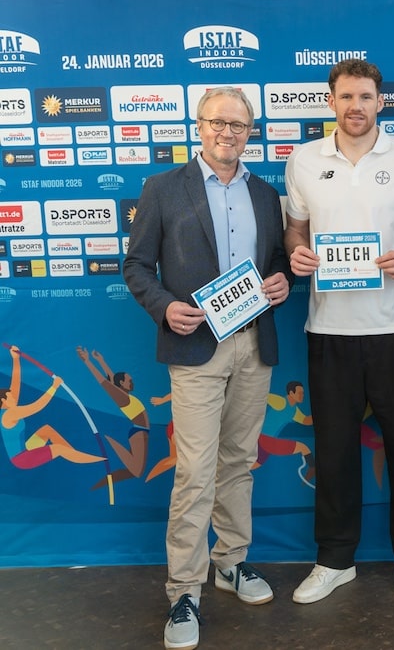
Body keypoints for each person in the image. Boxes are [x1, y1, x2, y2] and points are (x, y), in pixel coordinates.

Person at [123, 86, 292, 650]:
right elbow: (136, 266)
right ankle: (184, 591)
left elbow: (275, 262)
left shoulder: (265, 193)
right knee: (195, 471)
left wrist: (282, 282)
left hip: (253, 344)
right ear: (199, 126)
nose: (227, 133)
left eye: (238, 125)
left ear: (250, 133)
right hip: (196, 348)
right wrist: (163, 306)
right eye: (218, 122)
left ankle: (230, 561)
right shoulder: (162, 188)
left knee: (240, 461)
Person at [284, 58, 394, 605]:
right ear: (331, 102)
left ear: (380, 102)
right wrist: (297, 255)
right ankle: (334, 560)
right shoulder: (303, 160)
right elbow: (295, 232)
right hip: (329, 328)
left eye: (366, 97)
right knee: (334, 451)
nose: (356, 106)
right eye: (346, 97)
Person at [77, 346, 150, 488]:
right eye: (129, 380)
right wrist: (88, 362)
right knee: (137, 472)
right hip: (139, 432)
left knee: (134, 471)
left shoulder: (125, 395)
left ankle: (106, 481)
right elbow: (104, 382)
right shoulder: (123, 398)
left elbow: (112, 379)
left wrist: (101, 361)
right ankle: (112, 443)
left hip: (141, 432)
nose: (132, 382)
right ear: (123, 383)